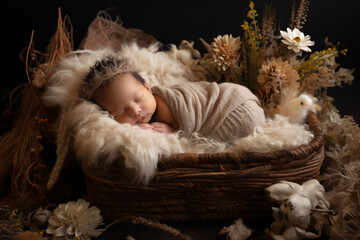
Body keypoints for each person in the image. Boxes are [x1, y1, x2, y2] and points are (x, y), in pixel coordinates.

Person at [81, 54, 266, 142]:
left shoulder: (165, 104)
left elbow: (189, 124)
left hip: (230, 104)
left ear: (147, 86)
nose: (135, 111)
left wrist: (172, 132)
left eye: (138, 99)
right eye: (121, 111)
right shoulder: (141, 117)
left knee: (238, 128)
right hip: (238, 97)